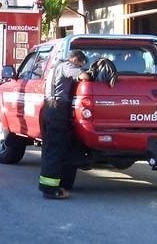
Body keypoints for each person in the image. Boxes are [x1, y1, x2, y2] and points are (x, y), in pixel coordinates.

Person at [39, 49, 90, 200]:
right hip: (57, 110)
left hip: (48, 109)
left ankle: (51, 186)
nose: (80, 67)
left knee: (50, 149)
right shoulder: (68, 66)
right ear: (75, 59)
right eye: (80, 64)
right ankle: (50, 190)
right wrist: (85, 73)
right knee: (55, 150)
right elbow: (84, 77)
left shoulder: (55, 66)